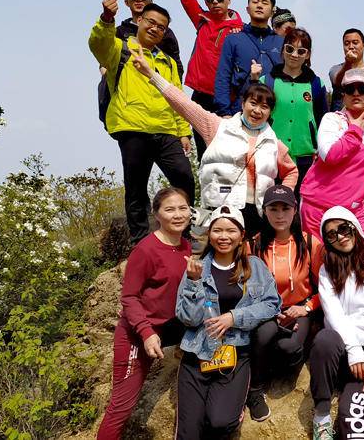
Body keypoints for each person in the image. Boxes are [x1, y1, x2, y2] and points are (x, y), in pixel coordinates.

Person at [133, 55, 298, 236]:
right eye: (253, 103)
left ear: (270, 112)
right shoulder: (217, 127)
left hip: (255, 216)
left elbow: (291, 171)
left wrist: (281, 196)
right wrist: (152, 74)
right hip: (219, 210)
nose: (257, 110)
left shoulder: (274, 143)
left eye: (265, 107)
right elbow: (183, 104)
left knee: (250, 262)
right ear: (243, 104)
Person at [89, 0, 194, 244]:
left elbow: (177, 98)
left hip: (166, 130)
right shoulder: (120, 49)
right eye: (151, 22)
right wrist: (106, 18)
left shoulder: (167, 62)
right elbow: (98, 45)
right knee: (136, 187)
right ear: (140, 21)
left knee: (185, 178)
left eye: (161, 26)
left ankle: (185, 235)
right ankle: (140, 241)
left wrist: (184, 131)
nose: (155, 28)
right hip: (132, 127)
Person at [174, 204, 281, 440]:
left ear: (241, 235)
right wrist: (193, 282)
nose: (223, 237)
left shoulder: (255, 267)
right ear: (209, 234)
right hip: (197, 354)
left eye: (230, 231)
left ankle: (239, 402)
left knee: (221, 422)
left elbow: (272, 304)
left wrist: (234, 317)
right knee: (189, 432)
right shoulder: (196, 267)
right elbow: (187, 318)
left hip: (235, 353)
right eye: (217, 230)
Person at [96, 188, 192, 440]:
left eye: (183, 208)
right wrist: (147, 333)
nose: (178, 214)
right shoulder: (146, 249)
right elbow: (129, 297)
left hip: (170, 327)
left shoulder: (186, 247)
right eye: (170, 209)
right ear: (156, 214)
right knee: (122, 406)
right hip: (138, 334)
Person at [299, 68, 364, 258]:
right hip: (317, 207)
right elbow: (330, 155)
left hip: (354, 211)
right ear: (343, 94)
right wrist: (355, 129)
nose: (356, 93)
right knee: (320, 264)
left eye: (362, 89)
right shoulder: (331, 120)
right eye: (350, 89)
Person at [308, 207, 364, 440]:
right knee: (325, 337)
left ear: (354, 227)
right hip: (342, 353)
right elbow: (333, 313)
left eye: (344, 228)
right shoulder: (328, 270)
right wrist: (353, 350)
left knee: (351, 414)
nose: (340, 236)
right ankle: (322, 415)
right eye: (331, 234)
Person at [247, 185, 325, 422]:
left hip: (300, 308)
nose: (280, 215)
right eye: (273, 209)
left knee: (290, 350)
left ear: (295, 211)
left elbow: (326, 288)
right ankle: (255, 390)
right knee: (265, 332)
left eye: (285, 208)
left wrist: (307, 308)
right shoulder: (253, 245)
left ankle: (281, 358)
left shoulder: (311, 243)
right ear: (264, 211)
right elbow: (245, 287)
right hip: (265, 311)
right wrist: (268, 311)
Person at [171, 0, 245, 159]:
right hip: (201, 97)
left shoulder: (242, 28)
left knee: (232, 154)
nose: (214, 1)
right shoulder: (201, 19)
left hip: (231, 99)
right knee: (206, 155)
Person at [248, 27, 328, 190]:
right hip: (272, 153)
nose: (294, 54)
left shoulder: (316, 84)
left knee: (301, 208)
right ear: (283, 50)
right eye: (290, 49)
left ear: (308, 55)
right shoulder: (267, 81)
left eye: (301, 51)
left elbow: (323, 121)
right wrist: (254, 82)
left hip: (305, 157)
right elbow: (252, 115)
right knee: (272, 206)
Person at [214, 0, 284, 117]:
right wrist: (224, 112)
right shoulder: (233, 40)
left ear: (272, 11)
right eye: (255, 1)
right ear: (247, 8)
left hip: (275, 113)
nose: (259, 6)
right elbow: (223, 77)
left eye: (265, 3)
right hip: (239, 111)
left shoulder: (281, 42)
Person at [117, 0, 182, 77]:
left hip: (158, 87)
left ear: (150, 1)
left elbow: (176, 66)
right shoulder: (119, 31)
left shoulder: (166, 32)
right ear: (126, 2)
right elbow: (105, 59)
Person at [327, 29, 364, 112]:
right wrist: (348, 63)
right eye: (346, 44)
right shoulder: (336, 69)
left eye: (355, 43)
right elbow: (338, 83)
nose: (351, 47)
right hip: (341, 122)